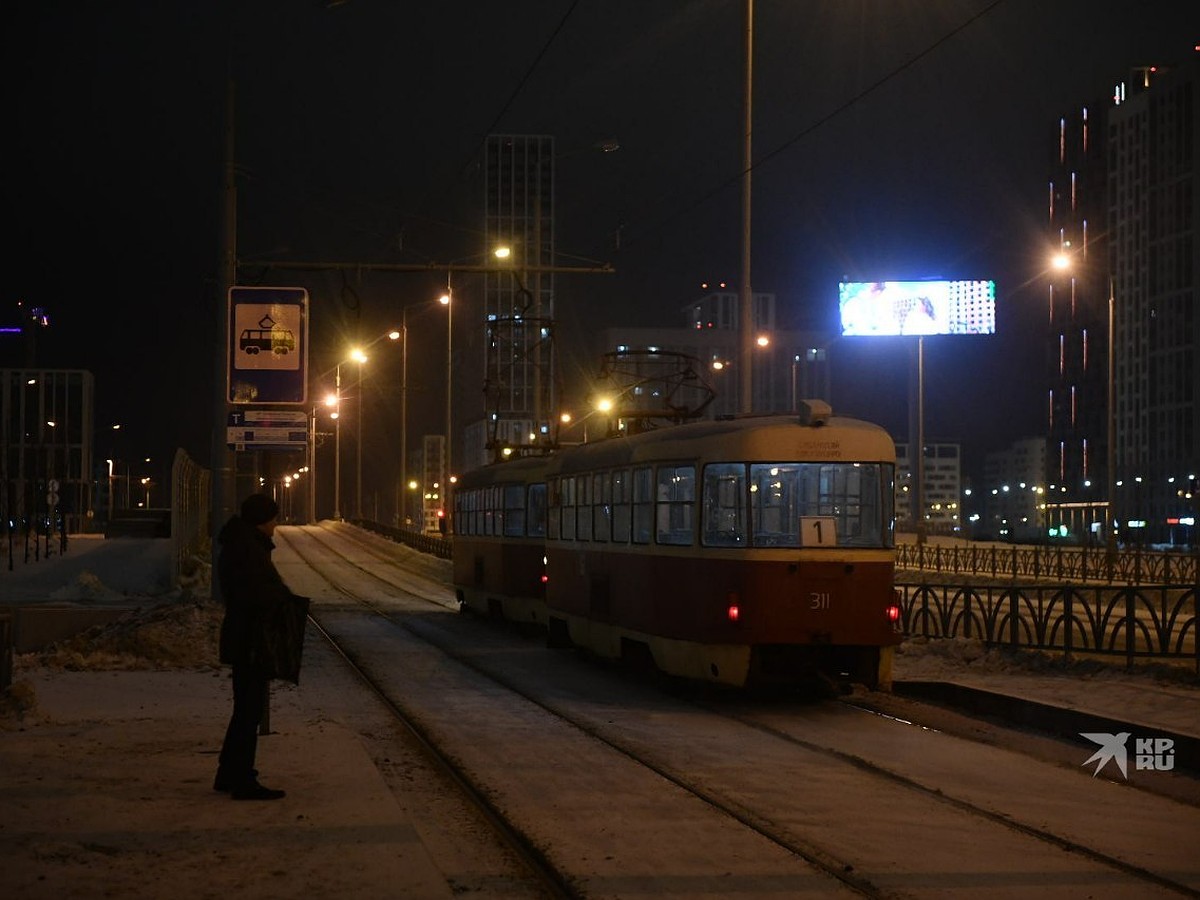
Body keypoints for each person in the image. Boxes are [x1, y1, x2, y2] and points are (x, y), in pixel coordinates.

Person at [213, 492, 308, 801]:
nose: (276, 525)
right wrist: (283, 600)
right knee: (249, 712)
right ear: (261, 521)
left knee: (245, 710)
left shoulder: (243, 545)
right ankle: (241, 779)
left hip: (246, 637)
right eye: (273, 519)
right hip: (251, 640)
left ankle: (229, 773)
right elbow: (254, 595)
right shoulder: (247, 551)